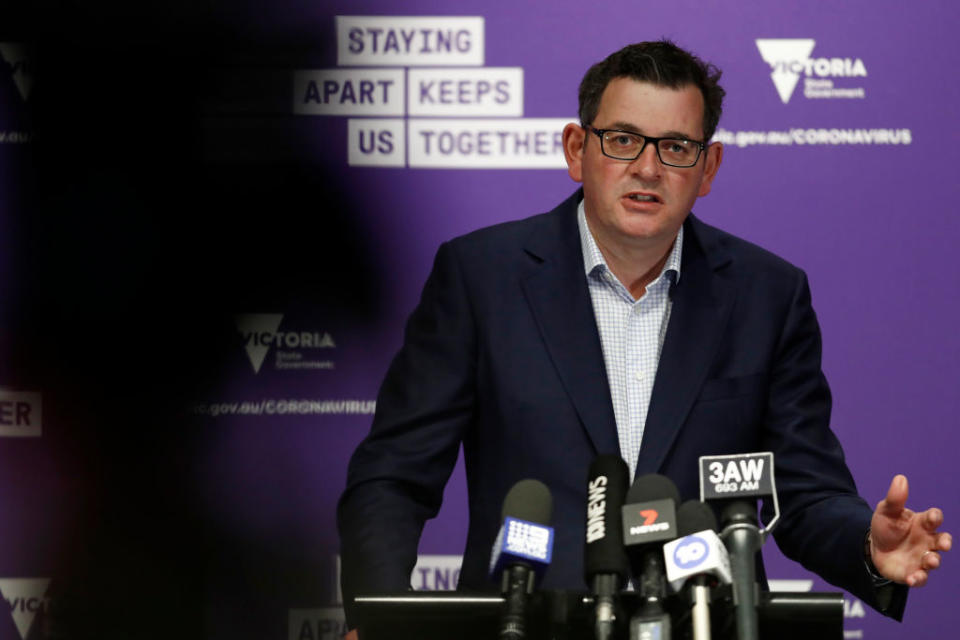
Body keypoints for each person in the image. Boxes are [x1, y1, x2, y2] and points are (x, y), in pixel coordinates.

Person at [337, 40, 950, 631]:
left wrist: (868, 547)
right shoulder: (480, 278)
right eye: (624, 139)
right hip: (525, 625)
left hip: (706, 624)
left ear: (707, 168)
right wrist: (379, 614)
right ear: (577, 149)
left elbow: (806, 494)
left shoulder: (768, 295)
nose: (649, 168)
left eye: (678, 146)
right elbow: (394, 474)